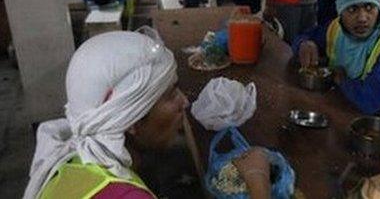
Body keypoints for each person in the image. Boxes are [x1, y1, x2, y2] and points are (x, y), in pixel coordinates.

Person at [23, 32, 271, 199]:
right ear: (130, 120)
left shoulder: (73, 162)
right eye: (171, 95)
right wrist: (257, 179)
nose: (185, 101)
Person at [293, 0, 380, 142]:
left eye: (369, 7)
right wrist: (305, 44)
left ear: (379, 6)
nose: (362, 18)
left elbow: (370, 100)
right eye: (352, 9)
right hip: (341, 116)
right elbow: (305, 37)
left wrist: (340, 78)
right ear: (340, 11)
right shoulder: (337, 28)